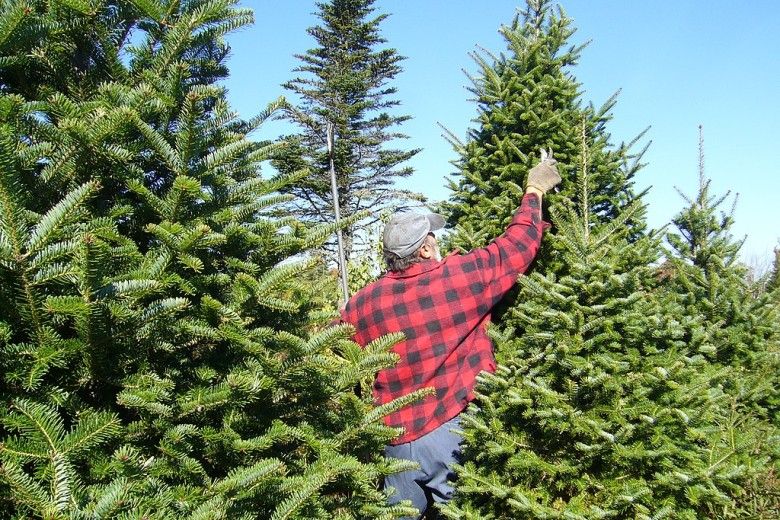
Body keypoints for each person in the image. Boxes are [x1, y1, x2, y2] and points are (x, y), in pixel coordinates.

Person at [339, 149, 561, 518]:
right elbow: (517, 245)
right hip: (448, 429)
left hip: (392, 439)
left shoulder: (365, 302)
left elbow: (329, 346)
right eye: (433, 237)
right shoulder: (457, 278)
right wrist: (534, 190)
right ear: (425, 248)